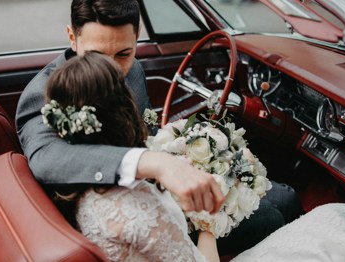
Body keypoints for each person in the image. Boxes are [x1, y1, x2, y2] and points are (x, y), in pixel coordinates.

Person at [15, 0, 302, 255]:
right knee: (274, 215)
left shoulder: (135, 71)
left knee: (284, 194)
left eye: (124, 54)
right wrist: (153, 163)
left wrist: (186, 151)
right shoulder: (43, 94)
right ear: (72, 38)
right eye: (97, 55)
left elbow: (145, 136)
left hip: (160, 191)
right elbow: (46, 159)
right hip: (131, 212)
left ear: (137, 37)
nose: (115, 71)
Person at [44, 52, 345, 262]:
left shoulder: (82, 182)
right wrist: (210, 220)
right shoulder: (140, 207)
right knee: (339, 217)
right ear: (123, 112)